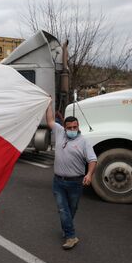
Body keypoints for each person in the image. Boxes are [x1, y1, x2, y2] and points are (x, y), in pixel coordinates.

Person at [45, 103, 97, 249]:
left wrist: (89, 174)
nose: (73, 130)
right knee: (63, 209)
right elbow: (49, 121)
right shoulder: (60, 132)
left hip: (75, 182)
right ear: (65, 127)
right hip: (58, 181)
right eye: (70, 127)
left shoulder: (84, 141)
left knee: (71, 209)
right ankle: (71, 236)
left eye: (75, 127)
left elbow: (92, 160)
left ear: (78, 126)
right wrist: (48, 104)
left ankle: (67, 227)